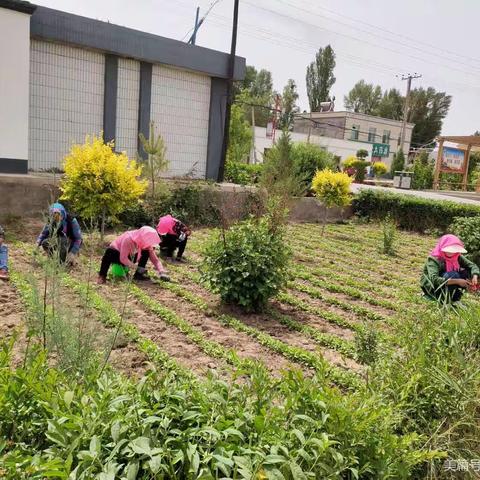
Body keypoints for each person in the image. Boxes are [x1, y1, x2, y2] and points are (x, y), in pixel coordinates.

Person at [97, 226, 169, 284]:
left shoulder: (146, 244)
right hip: (116, 255)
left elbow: (155, 260)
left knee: (146, 252)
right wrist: (137, 267)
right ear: (142, 237)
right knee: (109, 252)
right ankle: (102, 275)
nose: (148, 244)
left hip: (130, 256)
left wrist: (161, 272)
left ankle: (138, 275)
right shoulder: (128, 239)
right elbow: (123, 258)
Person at [421, 234, 479, 303]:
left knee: (466, 272)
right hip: (434, 287)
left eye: (453, 250)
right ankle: (443, 298)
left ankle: (454, 294)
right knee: (453, 274)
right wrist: (458, 281)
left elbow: (472, 266)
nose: (451, 252)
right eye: (449, 249)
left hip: (447, 281)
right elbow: (434, 280)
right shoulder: (433, 259)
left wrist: (475, 276)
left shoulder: (457, 256)